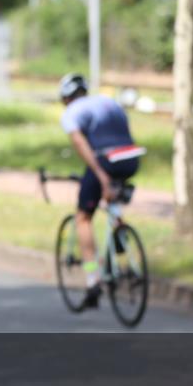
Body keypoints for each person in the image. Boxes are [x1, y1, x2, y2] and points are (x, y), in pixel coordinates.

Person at [58, 73, 145, 308]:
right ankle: (119, 230)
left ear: (66, 99)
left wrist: (102, 176)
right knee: (111, 199)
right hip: (131, 158)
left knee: (83, 218)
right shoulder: (108, 102)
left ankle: (92, 278)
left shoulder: (71, 112)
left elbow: (81, 144)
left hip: (106, 160)